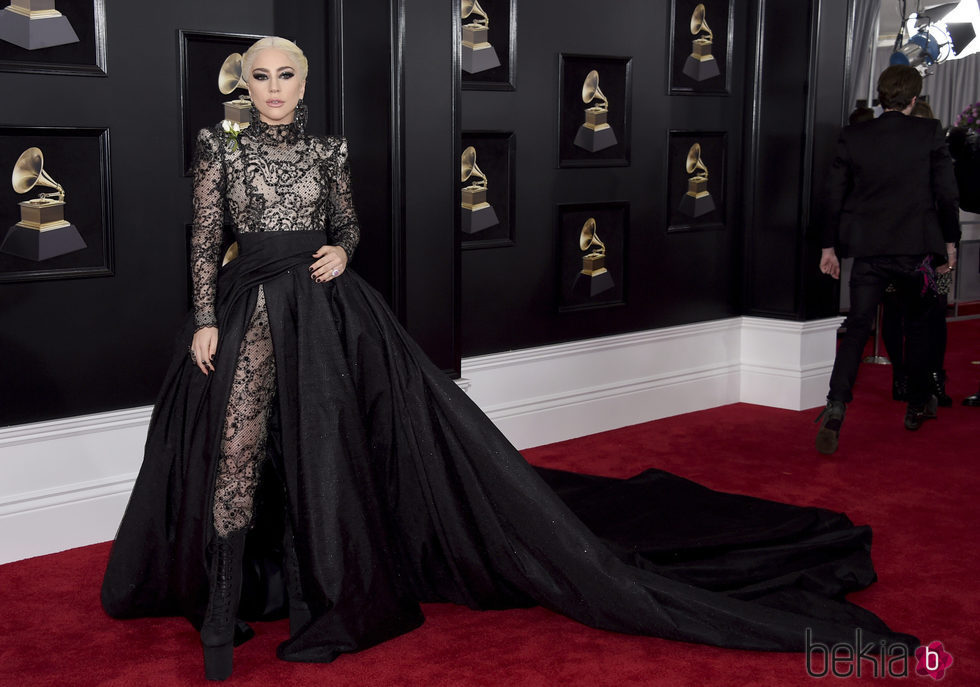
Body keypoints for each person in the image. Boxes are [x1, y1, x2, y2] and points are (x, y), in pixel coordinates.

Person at [102, 37, 919, 681]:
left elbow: (349, 226)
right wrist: (206, 319)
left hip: (323, 313)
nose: (272, 87)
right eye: (259, 75)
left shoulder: (328, 153)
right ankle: (222, 606)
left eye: (285, 75)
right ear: (242, 83)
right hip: (247, 308)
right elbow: (204, 240)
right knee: (238, 449)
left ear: (303, 83)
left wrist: (343, 255)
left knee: (327, 451)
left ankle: (331, 590)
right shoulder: (223, 146)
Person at [815, 65, 960, 454]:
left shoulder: (854, 135)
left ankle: (835, 404)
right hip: (916, 250)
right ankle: (916, 403)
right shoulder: (929, 133)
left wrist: (829, 248)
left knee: (858, 326)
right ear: (915, 99)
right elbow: (947, 195)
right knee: (920, 325)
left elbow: (833, 196)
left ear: (881, 97)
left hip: (868, 252)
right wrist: (950, 243)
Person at [880, 98, 954, 406]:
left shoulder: (891, 156)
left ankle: (911, 376)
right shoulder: (933, 156)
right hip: (923, 249)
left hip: (905, 247)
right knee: (930, 313)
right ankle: (923, 377)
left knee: (907, 313)